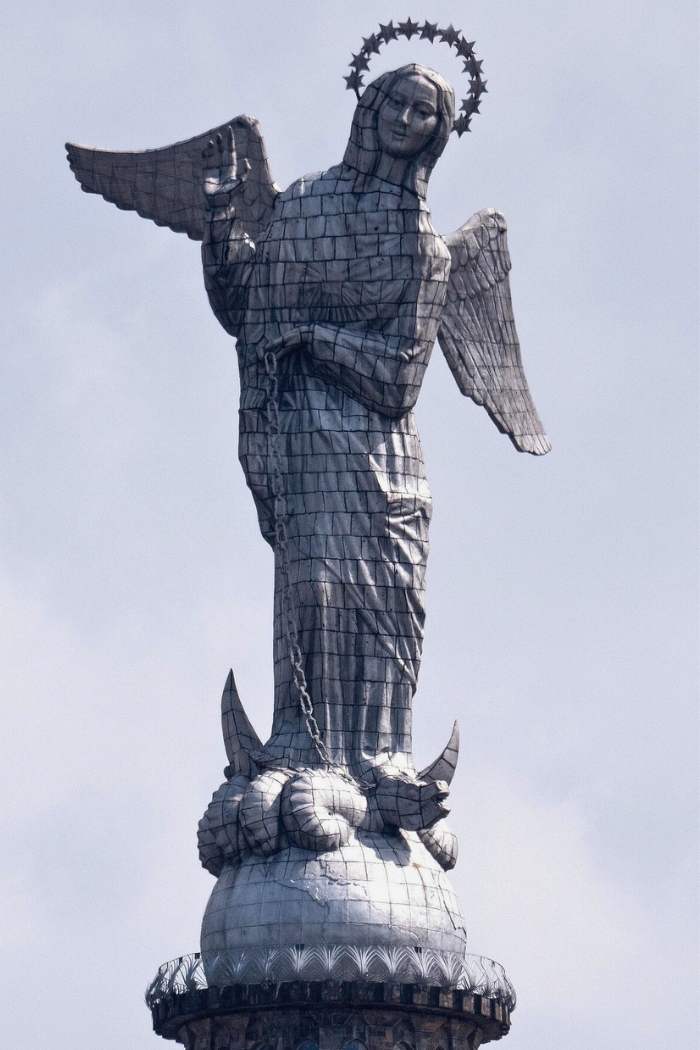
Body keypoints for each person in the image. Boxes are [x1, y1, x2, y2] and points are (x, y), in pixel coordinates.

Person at [201, 65, 455, 786]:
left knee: (391, 606)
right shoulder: (305, 204)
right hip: (310, 441)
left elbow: (401, 378)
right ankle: (304, 744)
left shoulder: (427, 252)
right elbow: (248, 313)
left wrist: (316, 339)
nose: (405, 121)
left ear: (438, 134)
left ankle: (382, 759)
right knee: (314, 589)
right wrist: (221, 222)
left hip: (385, 464)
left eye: (423, 114)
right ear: (372, 107)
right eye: (397, 104)